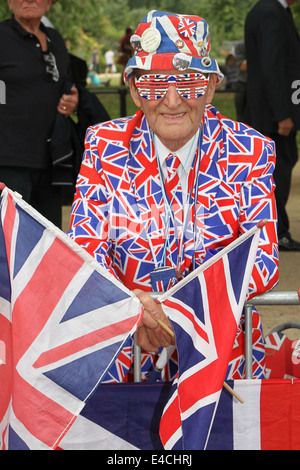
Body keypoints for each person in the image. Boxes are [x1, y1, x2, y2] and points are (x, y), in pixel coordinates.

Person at [68, 10, 279, 382]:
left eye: (189, 84)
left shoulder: (250, 149)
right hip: (123, 358)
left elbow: (262, 260)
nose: (171, 101)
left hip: (221, 363)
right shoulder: (105, 146)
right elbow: (85, 249)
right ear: (133, 90)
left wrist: (177, 310)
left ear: (212, 87)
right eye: (152, 86)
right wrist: (135, 312)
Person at [0, 0, 78, 228]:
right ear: (9, 2)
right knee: (7, 243)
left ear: (50, 3)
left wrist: (71, 100)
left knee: (46, 242)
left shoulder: (55, 39)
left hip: (52, 160)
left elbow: (64, 83)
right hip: (9, 161)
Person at [244, 0, 300, 251]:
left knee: (278, 169)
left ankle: (276, 230)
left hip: (271, 113)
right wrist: (282, 115)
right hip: (273, 117)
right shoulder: (269, 13)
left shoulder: (271, 10)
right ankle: (276, 233)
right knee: (277, 173)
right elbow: (271, 66)